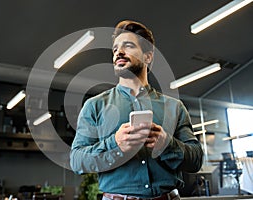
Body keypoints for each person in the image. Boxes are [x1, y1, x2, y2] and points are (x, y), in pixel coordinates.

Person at [70, 20, 203, 200]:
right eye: (115, 49)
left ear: (147, 57)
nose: (119, 53)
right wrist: (114, 145)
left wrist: (167, 145)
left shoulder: (174, 107)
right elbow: (77, 161)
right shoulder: (94, 106)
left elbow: (196, 160)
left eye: (128, 46)